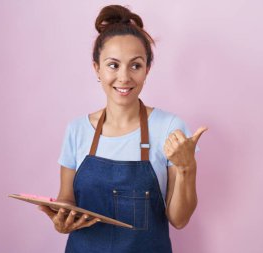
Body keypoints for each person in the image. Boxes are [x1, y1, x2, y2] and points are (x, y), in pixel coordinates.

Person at [39, 4, 208, 253]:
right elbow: (67, 200)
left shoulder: (169, 128)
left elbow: (179, 219)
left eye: (135, 65)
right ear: (97, 68)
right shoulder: (76, 130)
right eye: (113, 65)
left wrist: (187, 167)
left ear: (147, 70)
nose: (124, 77)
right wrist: (61, 220)